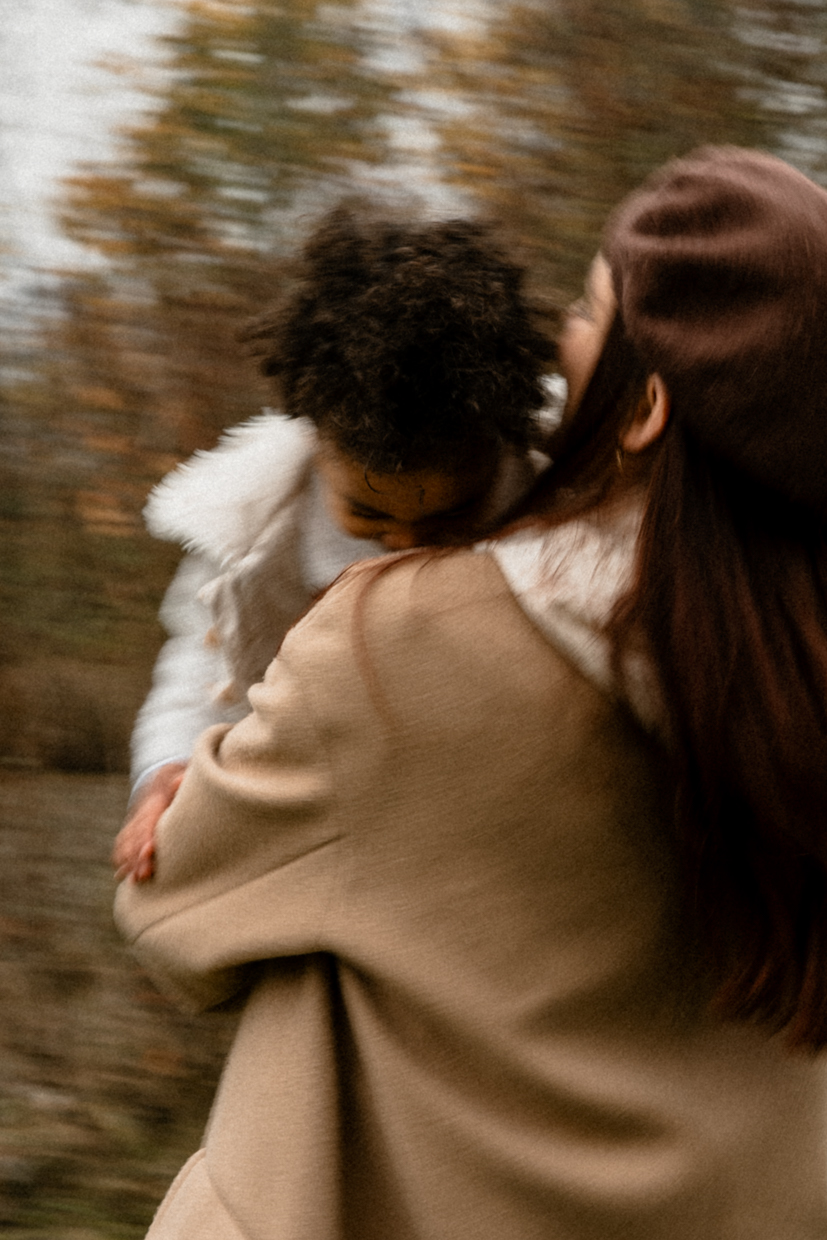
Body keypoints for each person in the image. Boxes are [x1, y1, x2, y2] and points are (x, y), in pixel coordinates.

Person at [114, 147, 827, 1239]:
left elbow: (175, 908)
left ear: (642, 411)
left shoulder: (397, 637)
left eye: (588, 310)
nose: (559, 347)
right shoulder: (788, 675)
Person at [117, 206, 557, 880]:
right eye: (366, 511)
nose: (406, 541)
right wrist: (164, 770)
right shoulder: (255, 533)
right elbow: (198, 671)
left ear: (502, 450)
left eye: (453, 515)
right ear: (314, 445)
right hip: (335, 785)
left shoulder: (562, 488)